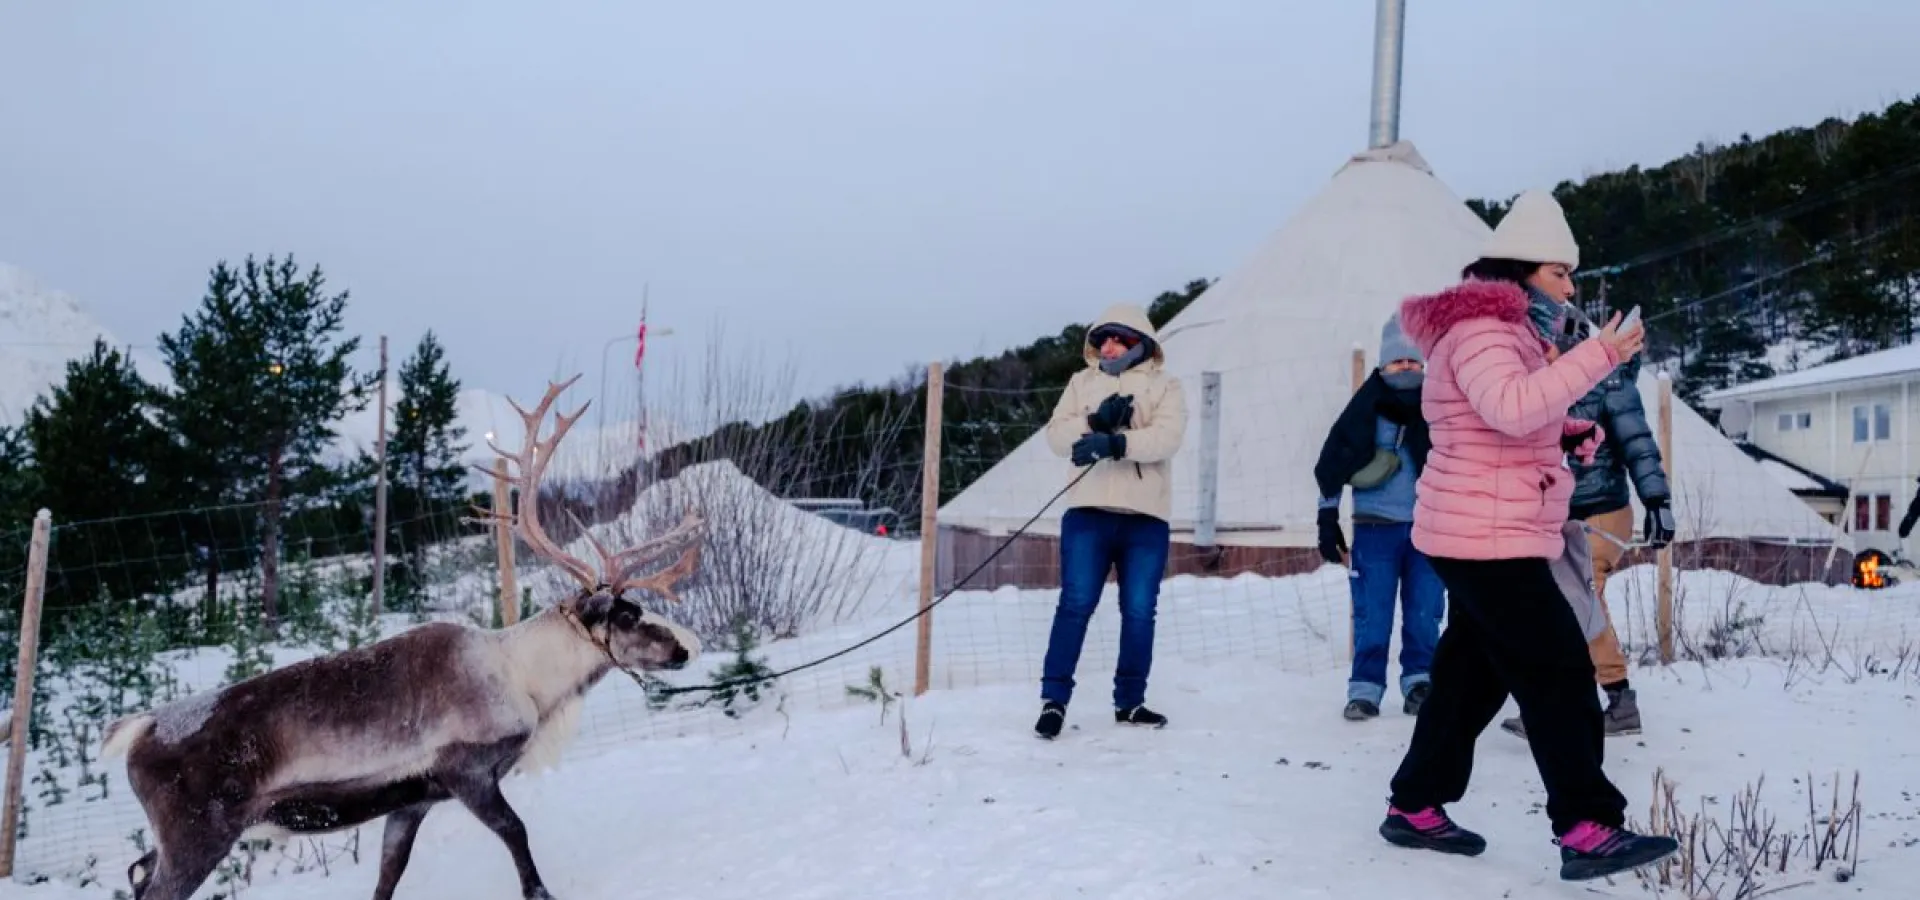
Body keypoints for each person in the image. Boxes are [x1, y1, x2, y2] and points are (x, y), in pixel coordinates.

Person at [1374, 190, 1679, 881]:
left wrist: (1562, 432)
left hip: (1487, 526)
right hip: (1486, 535)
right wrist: (1599, 355)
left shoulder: (1506, 331)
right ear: (1520, 272)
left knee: (1468, 681)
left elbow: (1497, 419)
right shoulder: (1484, 329)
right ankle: (1587, 826)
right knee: (1559, 672)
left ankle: (1415, 804)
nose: (1570, 287)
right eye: (1560, 272)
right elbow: (1510, 408)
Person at [1465, 192, 1674, 740]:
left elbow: (1636, 440)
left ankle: (1615, 697)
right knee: (1546, 604)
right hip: (1555, 511)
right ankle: (1556, 697)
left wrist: (1657, 498)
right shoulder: (1530, 366)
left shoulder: (1606, 380)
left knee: (1580, 597)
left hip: (1602, 509)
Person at [1032, 302, 1188, 740]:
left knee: (1139, 611)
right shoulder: (1081, 383)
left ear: (1140, 343)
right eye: (1103, 339)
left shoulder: (1166, 386)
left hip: (1145, 517)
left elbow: (1167, 437)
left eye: (1119, 339)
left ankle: (1130, 701)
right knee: (1076, 603)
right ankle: (1054, 701)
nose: (1110, 346)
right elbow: (1056, 435)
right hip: (1088, 510)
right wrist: (1092, 422)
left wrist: (1116, 442)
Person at [1314, 313, 1444, 722]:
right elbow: (1335, 461)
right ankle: (1365, 690)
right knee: (1373, 612)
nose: (1405, 368)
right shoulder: (1364, 408)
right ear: (1383, 364)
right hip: (1375, 527)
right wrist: (1327, 516)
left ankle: (1420, 681)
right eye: (1397, 361)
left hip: (1429, 526)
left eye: (1412, 361)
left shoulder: (1439, 407)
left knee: (1425, 610)